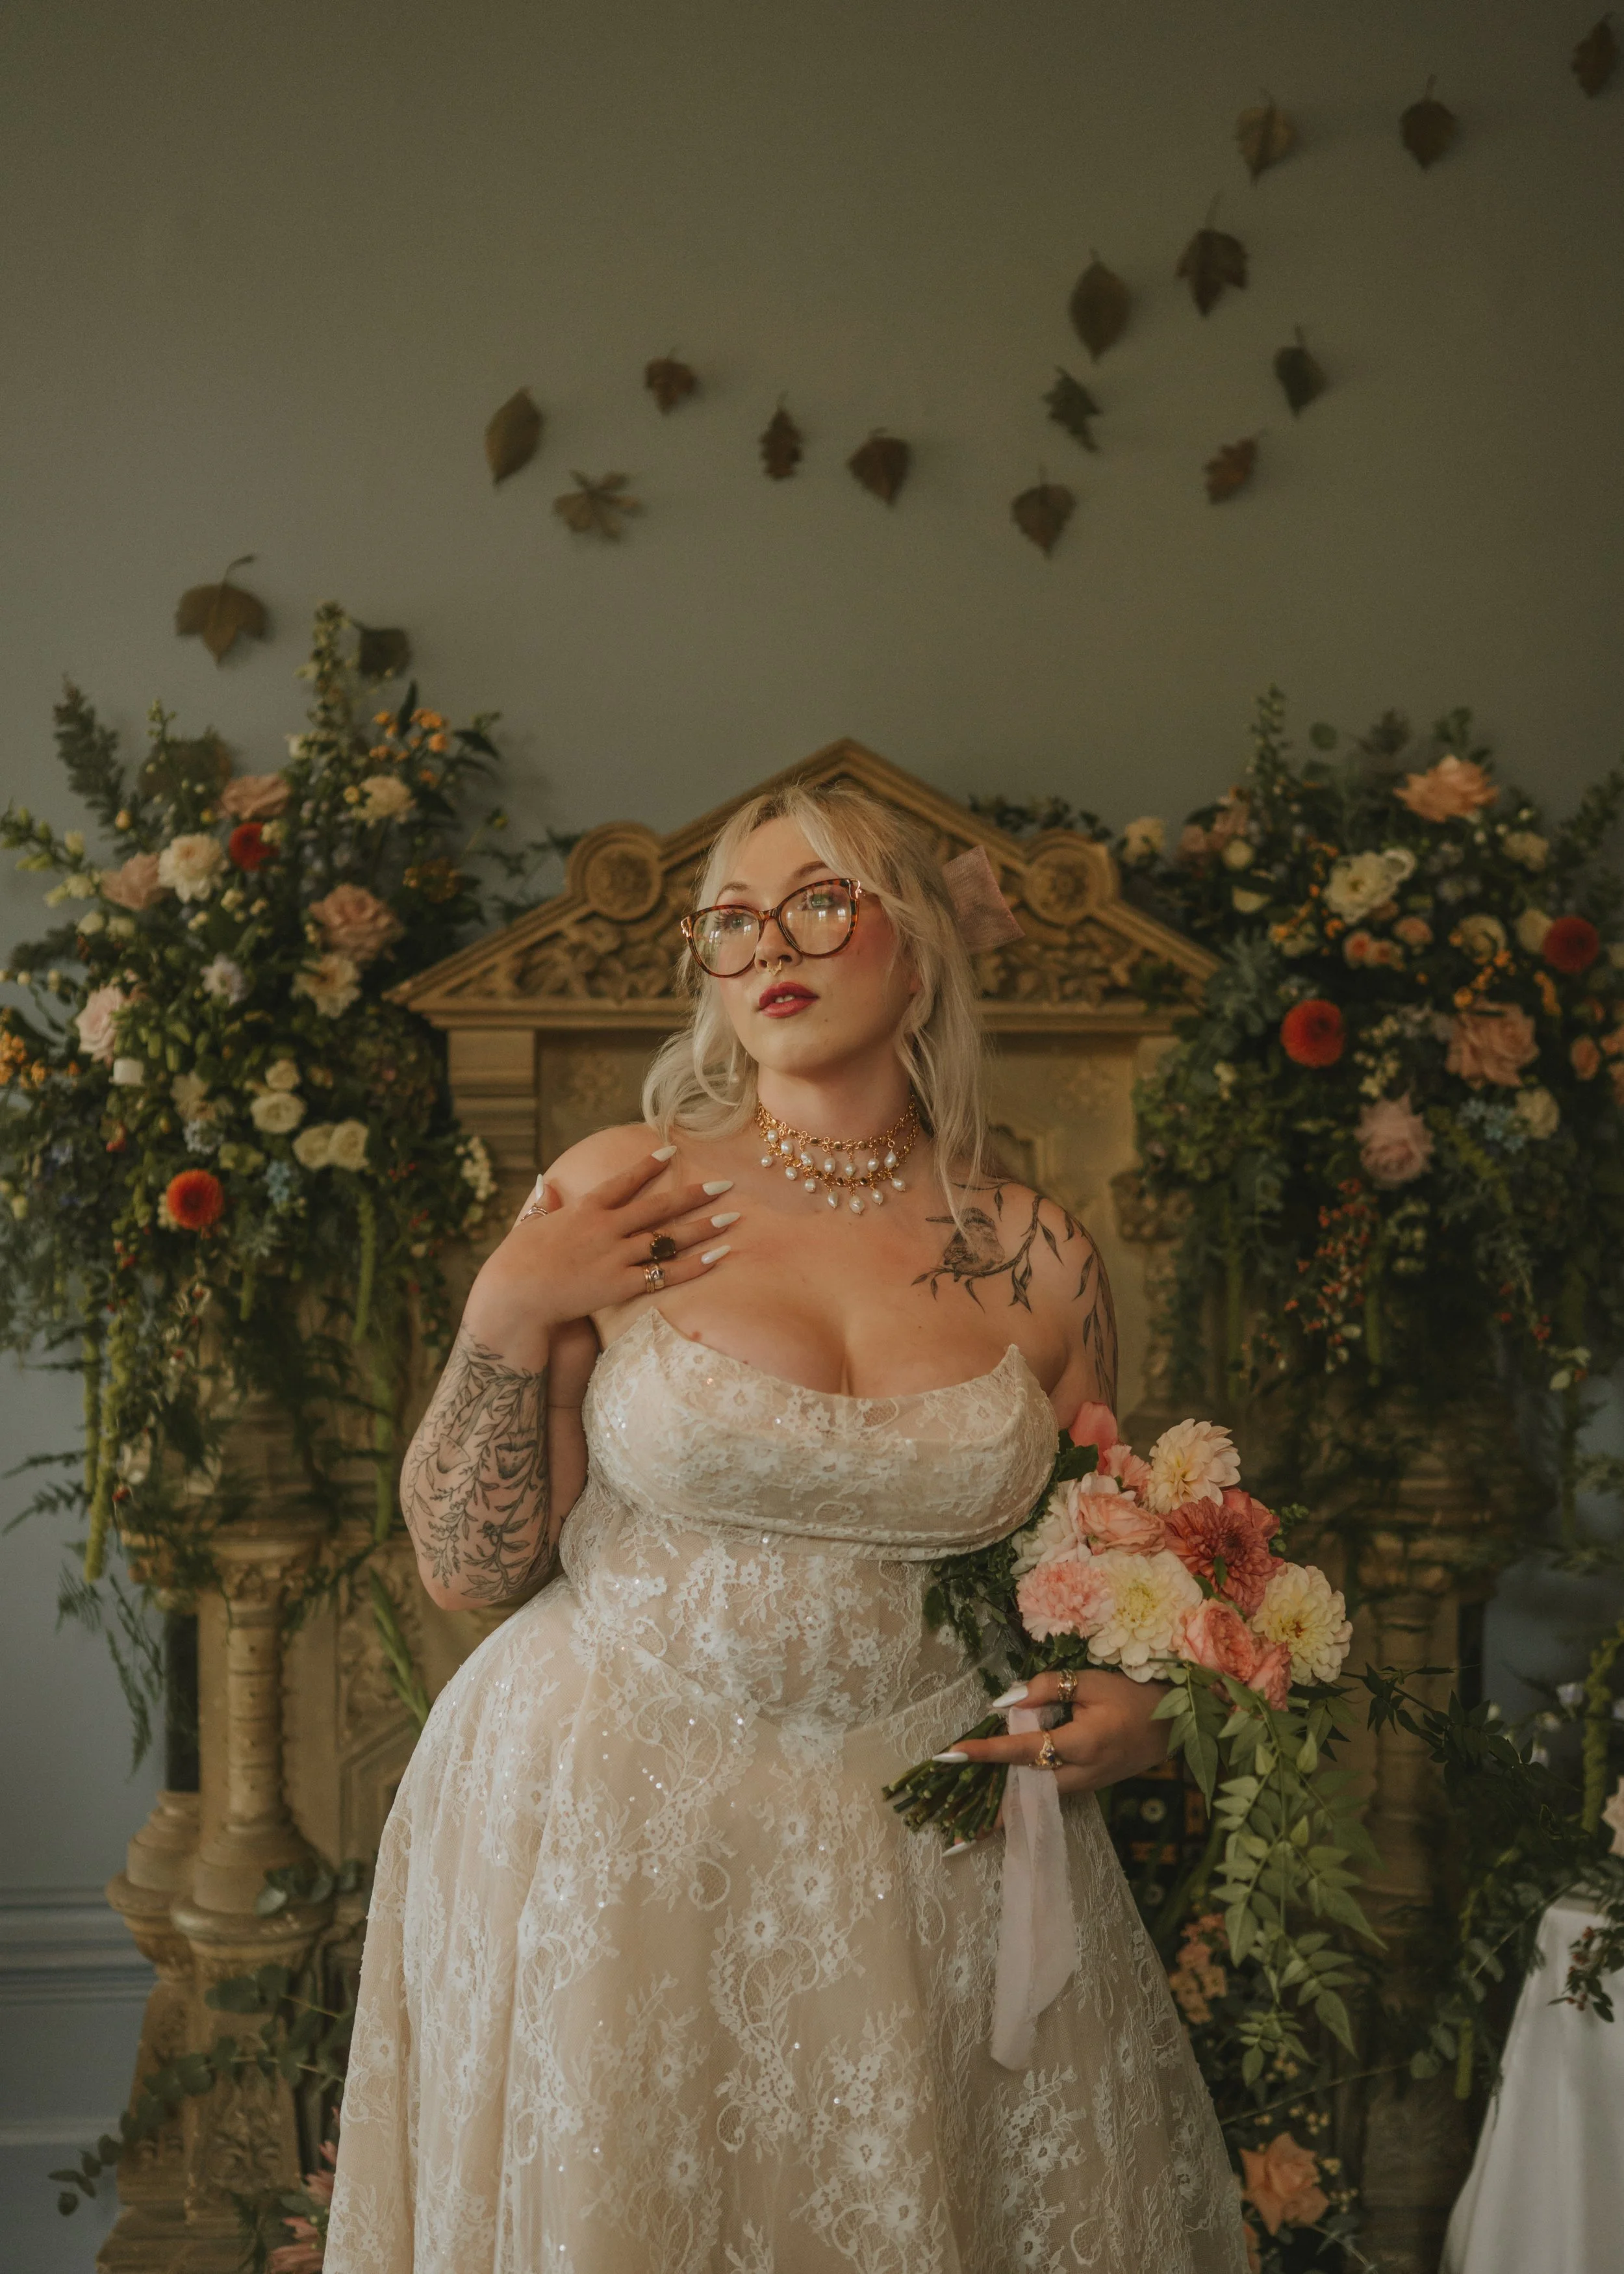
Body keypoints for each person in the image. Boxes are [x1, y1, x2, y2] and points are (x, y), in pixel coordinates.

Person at [325, 783, 1246, 2273]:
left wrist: (1140, 1704)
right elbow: (467, 1566)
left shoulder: (1036, 1253)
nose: (770, 947)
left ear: (922, 950)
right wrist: (505, 1306)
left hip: (920, 1842)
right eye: (732, 921)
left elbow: (1095, 1579)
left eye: (819, 903)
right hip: (607, 1812)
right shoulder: (621, 1186)